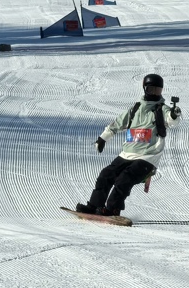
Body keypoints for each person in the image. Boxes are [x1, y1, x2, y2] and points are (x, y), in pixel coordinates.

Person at [76, 73, 183, 217]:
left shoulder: (161, 110)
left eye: (158, 90)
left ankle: (113, 209)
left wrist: (174, 115)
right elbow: (117, 123)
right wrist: (102, 138)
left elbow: (171, 120)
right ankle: (94, 206)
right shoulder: (135, 110)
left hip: (147, 157)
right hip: (127, 154)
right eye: (152, 89)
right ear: (145, 89)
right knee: (106, 175)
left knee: (124, 179)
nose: (155, 93)